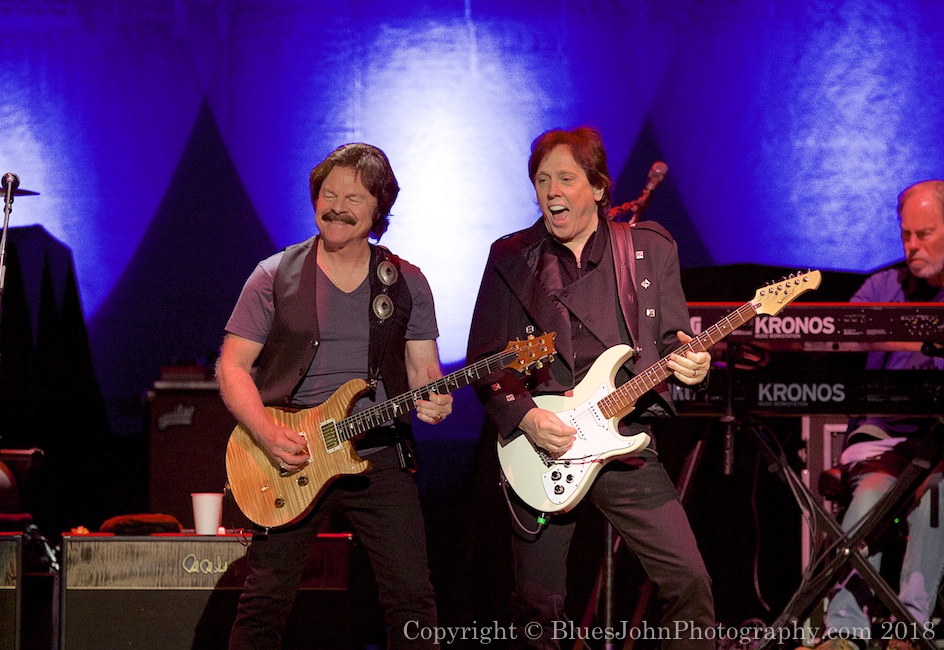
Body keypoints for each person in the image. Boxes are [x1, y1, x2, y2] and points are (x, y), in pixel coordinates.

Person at [466, 126, 716, 649]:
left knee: (690, 582)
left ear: (599, 187)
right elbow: (488, 359)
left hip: (624, 443)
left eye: (565, 178)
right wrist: (529, 418)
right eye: (541, 180)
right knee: (539, 608)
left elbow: (676, 341)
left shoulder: (648, 248)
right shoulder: (511, 257)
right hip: (543, 448)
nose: (551, 191)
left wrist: (693, 365)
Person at [217, 142, 452, 649]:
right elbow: (232, 367)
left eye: (354, 198)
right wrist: (266, 432)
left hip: (378, 455)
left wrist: (434, 400)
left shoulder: (407, 282)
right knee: (263, 603)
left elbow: (422, 373)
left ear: (378, 210)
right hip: (291, 456)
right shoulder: (273, 275)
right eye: (328, 194)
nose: (337, 207)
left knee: (413, 602)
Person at [799, 179, 944, 650]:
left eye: (924, 234)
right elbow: (842, 329)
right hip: (880, 438)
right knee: (870, 500)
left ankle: (911, 630)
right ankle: (844, 630)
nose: (911, 246)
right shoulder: (884, 285)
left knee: (938, 501)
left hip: (939, 444)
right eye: (905, 235)